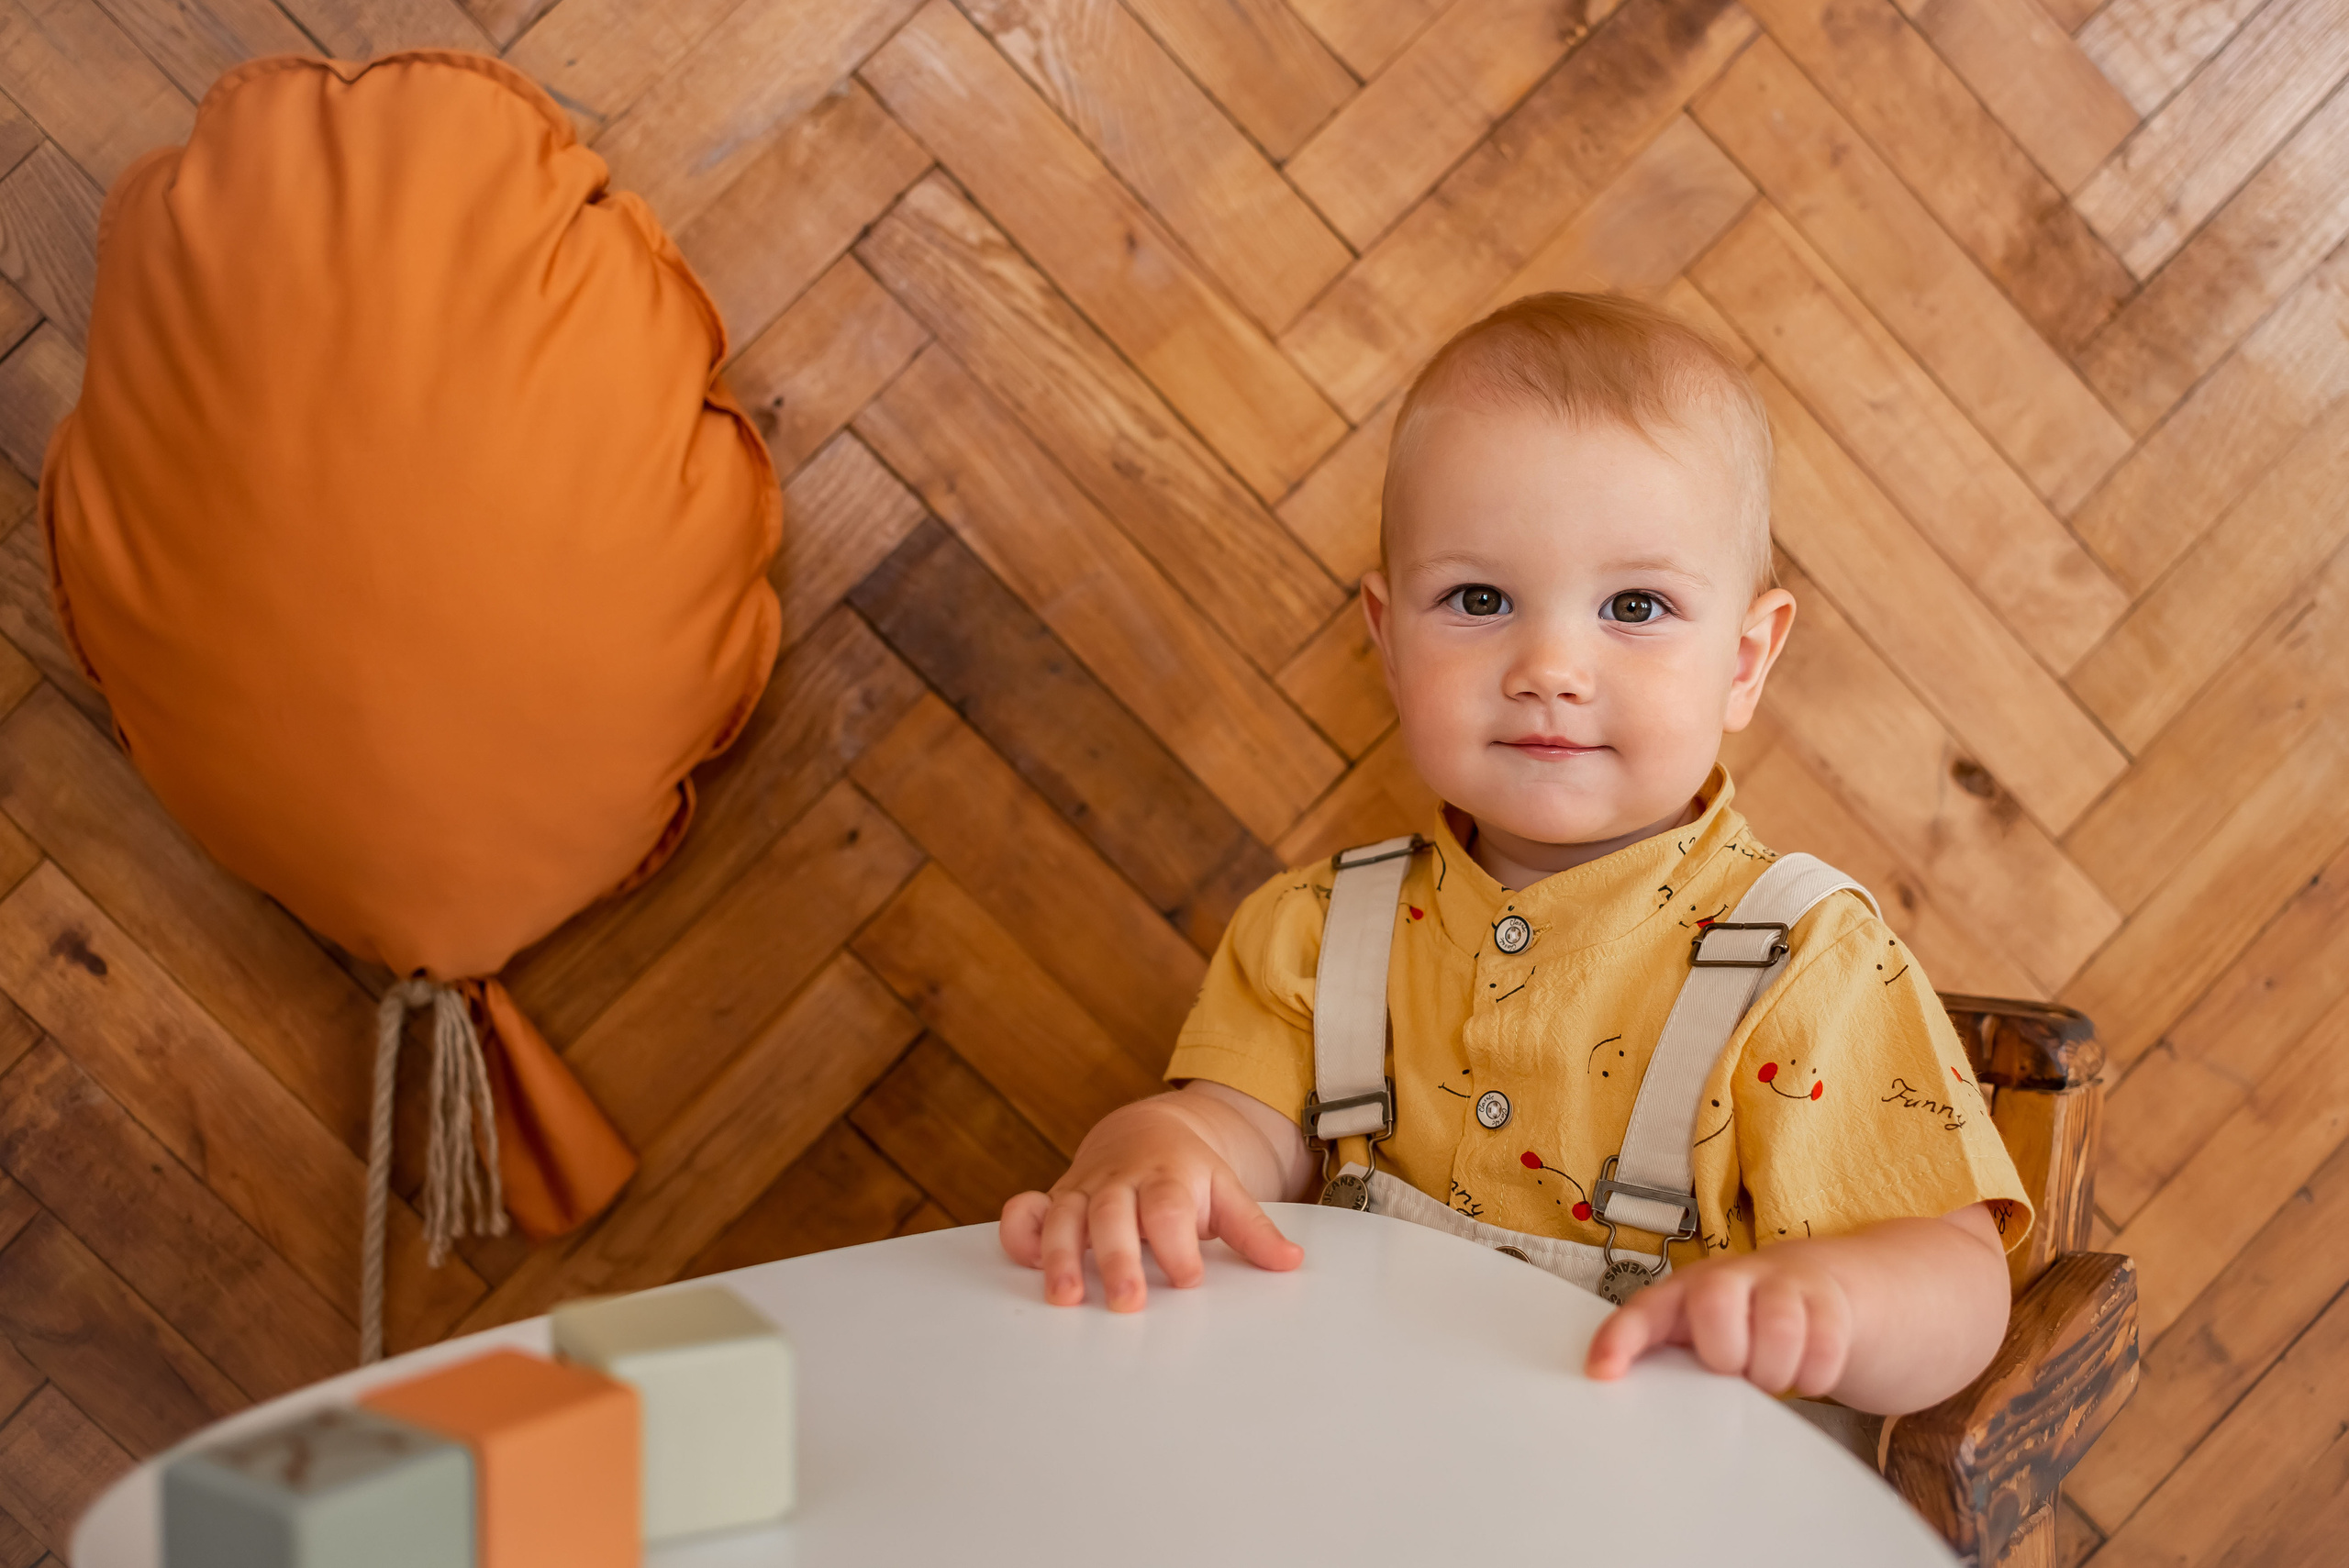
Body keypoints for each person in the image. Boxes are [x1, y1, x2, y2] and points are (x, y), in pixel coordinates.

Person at [999, 293, 2028, 1417]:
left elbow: (1961, 1275)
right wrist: (1154, 1149)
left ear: (1743, 659)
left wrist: (1827, 1299)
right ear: (1388, 643)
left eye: (1634, 604)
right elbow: (1233, 1127)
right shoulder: (1318, 933)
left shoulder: (1805, 966)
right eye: (1478, 598)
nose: (1550, 664)